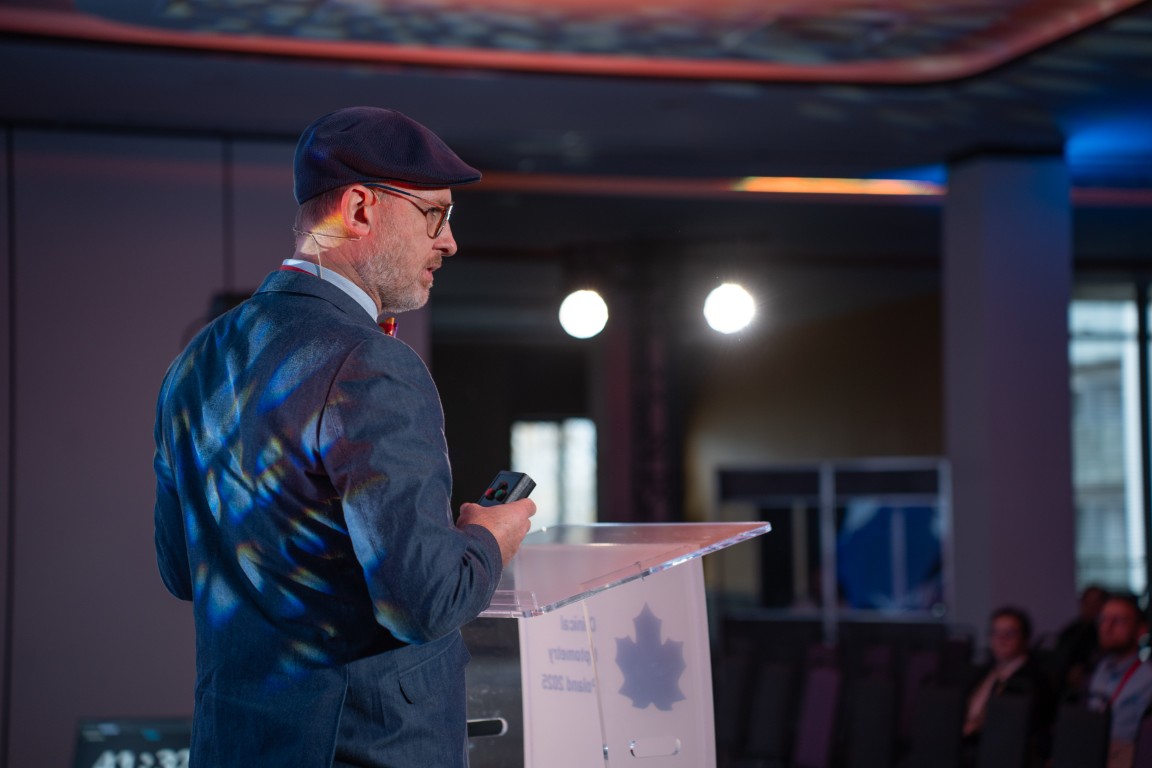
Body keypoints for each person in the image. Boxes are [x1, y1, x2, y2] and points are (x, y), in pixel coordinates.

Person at [153, 106, 536, 768]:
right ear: (360, 209)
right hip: (361, 750)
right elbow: (424, 603)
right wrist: (486, 539)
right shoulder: (369, 362)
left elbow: (182, 570)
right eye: (435, 215)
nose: (449, 242)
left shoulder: (197, 360)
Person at [961, 606, 1055, 766]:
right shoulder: (984, 672)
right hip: (968, 745)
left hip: (1002, 752)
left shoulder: (1035, 680)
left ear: (1025, 639)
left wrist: (976, 728)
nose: (1001, 640)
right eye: (995, 633)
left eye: (1009, 634)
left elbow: (1022, 726)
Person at [1088, 593, 1152, 768]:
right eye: (1103, 620)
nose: (1106, 627)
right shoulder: (1100, 668)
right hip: (1092, 749)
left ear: (1141, 630)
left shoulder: (1147, 677)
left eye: (1118, 621)